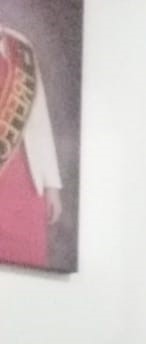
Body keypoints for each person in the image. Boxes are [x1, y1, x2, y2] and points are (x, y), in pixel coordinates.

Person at [0, 22, 62, 269]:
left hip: (25, 180)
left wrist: (51, 185)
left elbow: (39, 118)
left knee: (29, 268)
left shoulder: (21, 47)